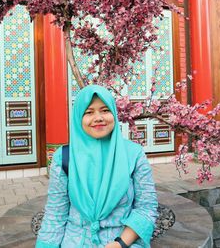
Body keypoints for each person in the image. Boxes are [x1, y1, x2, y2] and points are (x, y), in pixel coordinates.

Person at [36, 85, 158, 248]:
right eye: (89, 112)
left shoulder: (133, 155)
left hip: (122, 242)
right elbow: (55, 214)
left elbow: (146, 207)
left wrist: (120, 243)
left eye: (105, 110)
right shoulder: (64, 157)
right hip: (75, 242)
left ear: (114, 113)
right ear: (79, 118)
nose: (98, 118)